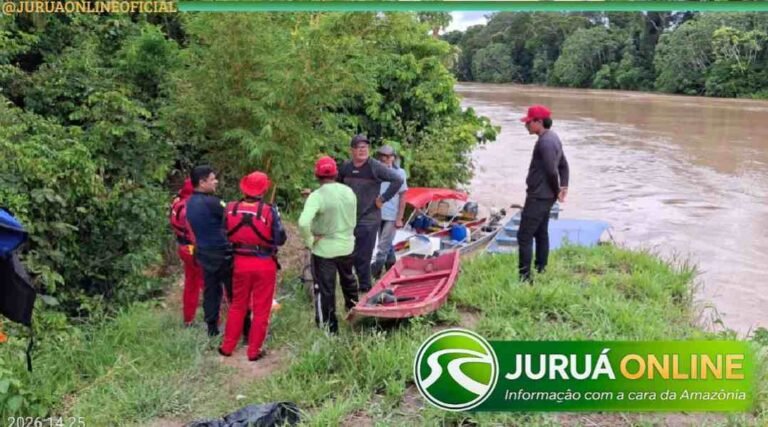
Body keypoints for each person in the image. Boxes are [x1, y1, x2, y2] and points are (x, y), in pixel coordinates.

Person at [218, 171, 286, 361]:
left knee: (237, 305)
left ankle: (227, 347)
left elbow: (224, 234)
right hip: (264, 264)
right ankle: (253, 351)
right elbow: (280, 239)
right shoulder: (269, 210)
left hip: (239, 262)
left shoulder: (230, 208)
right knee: (261, 309)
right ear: (264, 190)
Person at [337, 134, 403, 293]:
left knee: (363, 257)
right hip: (349, 218)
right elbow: (336, 187)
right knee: (348, 254)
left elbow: (397, 180)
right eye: (359, 147)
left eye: (365, 147)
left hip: (369, 218)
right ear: (352, 150)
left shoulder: (375, 166)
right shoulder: (345, 167)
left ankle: (366, 289)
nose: (363, 150)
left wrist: (383, 198)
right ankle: (350, 288)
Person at [299, 156, 358, 333]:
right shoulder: (349, 192)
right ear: (336, 173)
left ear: (317, 175)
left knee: (325, 289)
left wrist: (309, 241)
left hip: (325, 250)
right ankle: (354, 313)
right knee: (348, 281)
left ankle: (329, 328)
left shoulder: (316, 196)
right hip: (347, 245)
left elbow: (303, 223)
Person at [517, 105, 570, 282]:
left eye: (528, 122)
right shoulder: (554, 138)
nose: (526, 126)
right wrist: (564, 186)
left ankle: (525, 278)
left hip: (539, 196)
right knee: (541, 232)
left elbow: (551, 171)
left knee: (524, 236)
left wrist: (557, 191)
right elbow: (563, 165)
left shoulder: (545, 142)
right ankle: (541, 268)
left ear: (539, 122)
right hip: (545, 197)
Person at [185, 165, 231, 336]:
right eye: (212, 179)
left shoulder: (190, 203)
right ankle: (244, 329)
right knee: (233, 292)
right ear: (202, 182)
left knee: (211, 291)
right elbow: (232, 220)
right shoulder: (213, 203)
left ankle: (212, 329)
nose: (216, 181)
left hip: (204, 253)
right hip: (222, 253)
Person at [169, 178, 204, 326]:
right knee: (211, 284)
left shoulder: (177, 203)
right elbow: (194, 232)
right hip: (195, 248)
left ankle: (188, 320)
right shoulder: (191, 206)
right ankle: (217, 323)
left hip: (183, 248)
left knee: (191, 284)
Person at [371, 145, 407, 278]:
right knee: (387, 245)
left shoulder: (400, 173)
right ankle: (392, 271)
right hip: (377, 213)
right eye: (382, 156)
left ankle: (374, 275)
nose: (385, 159)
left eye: (388, 156)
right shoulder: (375, 171)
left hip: (392, 216)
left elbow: (403, 196)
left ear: (393, 157)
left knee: (382, 248)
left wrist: (400, 218)